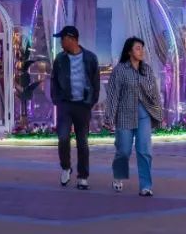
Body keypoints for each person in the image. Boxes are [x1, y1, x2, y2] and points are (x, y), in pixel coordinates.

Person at [107, 37, 163, 196]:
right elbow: (113, 95)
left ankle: (146, 186)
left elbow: (154, 94)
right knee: (123, 150)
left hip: (144, 115)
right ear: (129, 51)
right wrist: (109, 117)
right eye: (138, 48)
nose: (141, 51)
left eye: (142, 48)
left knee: (144, 150)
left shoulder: (147, 70)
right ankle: (118, 176)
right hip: (124, 115)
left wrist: (159, 115)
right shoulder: (120, 70)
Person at [50, 25, 100, 189]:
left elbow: (95, 82)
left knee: (82, 141)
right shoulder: (60, 59)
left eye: (62, 39)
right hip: (65, 104)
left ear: (71, 39)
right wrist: (57, 100)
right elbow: (54, 81)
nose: (61, 43)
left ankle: (83, 177)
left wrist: (91, 101)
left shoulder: (90, 58)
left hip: (83, 105)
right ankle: (66, 167)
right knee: (63, 137)